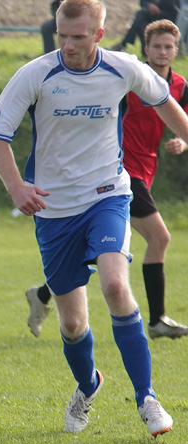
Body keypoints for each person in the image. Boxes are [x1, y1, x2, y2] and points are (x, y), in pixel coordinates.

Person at [0, 0, 188, 437]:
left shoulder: (123, 67)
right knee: (73, 324)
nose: (68, 45)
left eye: (78, 37)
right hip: (54, 210)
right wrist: (17, 188)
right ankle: (87, 384)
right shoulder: (36, 74)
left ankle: (147, 398)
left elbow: (166, 103)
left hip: (107, 195)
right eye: (62, 35)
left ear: (98, 34)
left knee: (116, 285)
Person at [25, 19, 188, 341]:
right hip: (117, 172)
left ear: (177, 50)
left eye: (168, 46)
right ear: (145, 48)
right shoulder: (129, 78)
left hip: (146, 169)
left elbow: (181, 124)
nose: (162, 51)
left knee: (100, 249)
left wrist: (182, 142)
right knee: (159, 239)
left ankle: (43, 294)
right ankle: (157, 320)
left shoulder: (180, 87)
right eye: (156, 46)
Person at [110, 0, 179, 53]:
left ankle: (124, 44)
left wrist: (159, 12)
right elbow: (142, 2)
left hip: (166, 19)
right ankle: (145, 51)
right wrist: (149, 5)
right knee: (142, 23)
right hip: (150, 17)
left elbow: (175, 15)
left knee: (140, 15)